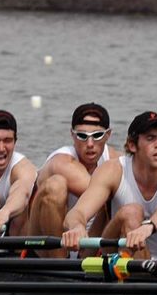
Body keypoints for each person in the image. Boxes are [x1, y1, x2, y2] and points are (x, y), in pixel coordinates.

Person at [60, 111, 157, 258]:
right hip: (115, 251)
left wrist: (148, 227)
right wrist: (76, 227)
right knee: (131, 212)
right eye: (151, 138)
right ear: (132, 145)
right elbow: (78, 212)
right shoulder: (113, 171)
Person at [25, 103, 120, 257]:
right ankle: (60, 263)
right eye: (82, 136)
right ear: (72, 135)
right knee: (56, 185)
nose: (90, 144)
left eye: (97, 135)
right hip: (47, 244)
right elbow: (96, 194)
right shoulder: (61, 161)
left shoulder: (116, 160)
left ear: (108, 135)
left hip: (89, 242)